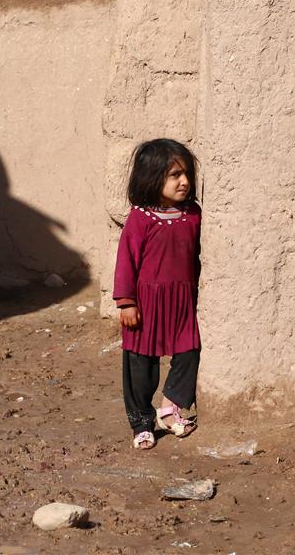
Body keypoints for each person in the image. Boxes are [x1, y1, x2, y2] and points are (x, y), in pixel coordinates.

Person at [113, 138, 202, 450]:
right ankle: (141, 422)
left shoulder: (192, 214)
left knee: (189, 352)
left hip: (180, 302)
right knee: (141, 365)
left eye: (186, 174)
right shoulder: (140, 218)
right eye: (175, 175)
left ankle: (171, 407)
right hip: (146, 304)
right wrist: (126, 302)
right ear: (152, 177)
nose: (184, 181)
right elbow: (126, 261)